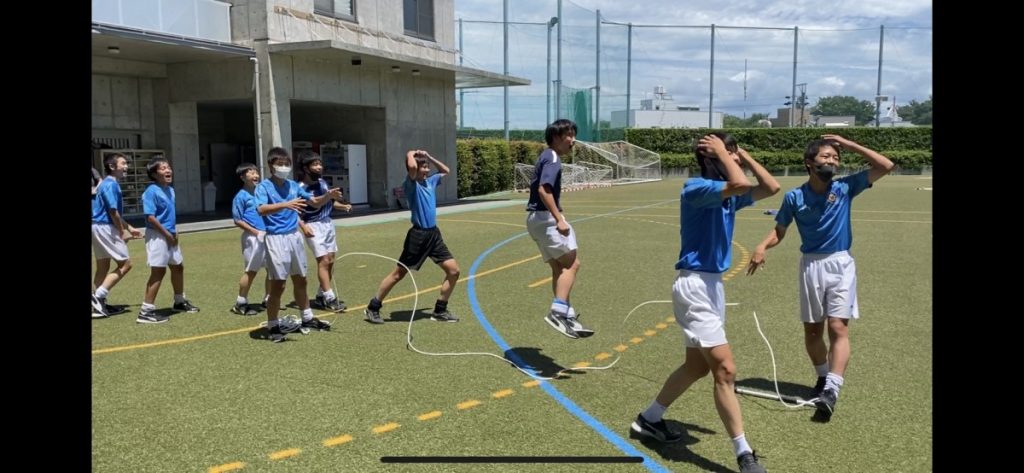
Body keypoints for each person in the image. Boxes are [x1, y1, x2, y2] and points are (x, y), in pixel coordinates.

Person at [630, 132, 779, 473]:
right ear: (712, 157)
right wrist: (725, 158)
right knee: (725, 370)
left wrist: (741, 153)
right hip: (694, 285)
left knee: (697, 367)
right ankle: (744, 454)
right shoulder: (696, 188)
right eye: (730, 154)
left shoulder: (728, 195)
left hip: (712, 287)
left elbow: (771, 188)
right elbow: (740, 184)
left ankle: (649, 419)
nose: (737, 160)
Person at [746, 134, 894, 422]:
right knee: (813, 332)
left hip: (841, 263)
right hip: (811, 266)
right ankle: (823, 377)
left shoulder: (846, 187)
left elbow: (886, 165)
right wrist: (762, 246)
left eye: (836, 158)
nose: (832, 162)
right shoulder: (794, 197)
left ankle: (832, 389)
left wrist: (847, 144)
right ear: (809, 163)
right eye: (826, 157)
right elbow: (780, 230)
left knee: (838, 327)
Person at [363, 150, 460, 325]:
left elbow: (446, 170)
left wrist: (429, 157)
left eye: (427, 167)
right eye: (423, 167)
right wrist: (410, 153)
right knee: (398, 274)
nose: (426, 170)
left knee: (454, 271)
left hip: (433, 235)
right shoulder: (411, 184)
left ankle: (440, 310)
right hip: (418, 235)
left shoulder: (431, 181)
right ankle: (373, 307)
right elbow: (413, 166)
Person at [255, 147, 340, 342]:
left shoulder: (293, 186)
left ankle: (307, 317)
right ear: (270, 166)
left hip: (294, 237)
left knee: (301, 279)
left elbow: (314, 203)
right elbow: (261, 209)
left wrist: (329, 196)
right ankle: (273, 325)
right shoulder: (264, 187)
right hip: (276, 238)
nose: (283, 168)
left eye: (286, 164)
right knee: (279, 284)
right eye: (280, 164)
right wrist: (285, 204)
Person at [526, 119, 593, 339]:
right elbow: (544, 190)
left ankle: (567, 314)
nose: (573, 140)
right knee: (573, 264)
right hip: (546, 218)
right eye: (569, 135)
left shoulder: (546, 156)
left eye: (573, 135)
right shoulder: (552, 157)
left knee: (558, 268)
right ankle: (558, 312)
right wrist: (559, 219)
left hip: (535, 219)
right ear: (556, 137)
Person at [137, 157, 200, 324]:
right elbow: (150, 218)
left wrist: (175, 233)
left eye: (168, 167)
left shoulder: (170, 190)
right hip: (158, 235)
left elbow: (169, 216)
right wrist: (167, 234)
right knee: (158, 271)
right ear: (154, 174)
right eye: (163, 168)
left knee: (178, 267)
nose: (168, 170)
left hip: (170, 234)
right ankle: (146, 311)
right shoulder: (151, 191)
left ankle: (179, 301)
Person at [295, 150, 352, 312]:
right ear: (306, 168)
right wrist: (303, 226)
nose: (319, 167)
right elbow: (310, 205)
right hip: (313, 225)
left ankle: (320, 295)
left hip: (327, 224)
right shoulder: (301, 188)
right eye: (315, 164)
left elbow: (328, 203)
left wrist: (342, 206)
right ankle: (330, 298)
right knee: (323, 261)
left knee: (331, 260)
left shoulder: (322, 183)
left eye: (320, 164)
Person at [92, 153, 142, 318]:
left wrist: (130, 227)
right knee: (125, 264)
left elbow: (114, 212)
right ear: (112, 167)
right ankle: (98, 297)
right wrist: (122, 231)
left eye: (126, 163)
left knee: (103, 266)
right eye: (123, 163)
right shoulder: (110, 185)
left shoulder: (107, 184)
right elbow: (113, 212)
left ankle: (99, 305)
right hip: (105, 227)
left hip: (97, 227)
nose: (126, 166)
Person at [230, 163, 271, 316]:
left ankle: (268, 299)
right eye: (250, 172)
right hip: (253, 238)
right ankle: (240, 303)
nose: (255, 175)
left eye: (256, 172)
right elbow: (237, 220)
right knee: (251, 271)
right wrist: (255, 232)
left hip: (267, 235)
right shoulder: (241, 196)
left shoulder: (262, 193)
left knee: (272, 269)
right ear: (242, 177)